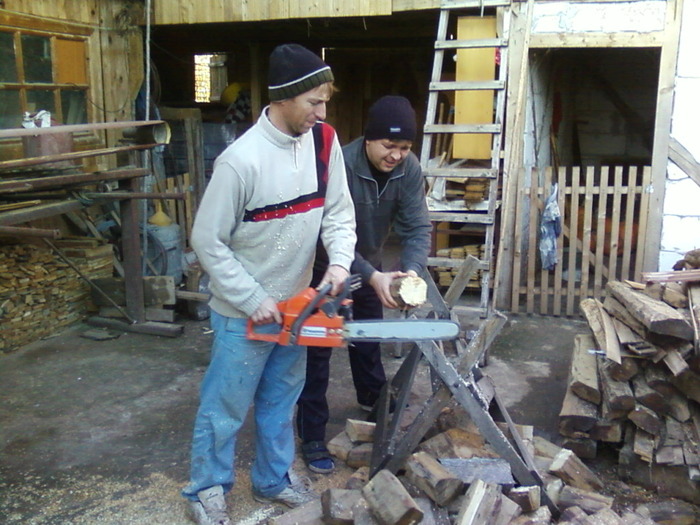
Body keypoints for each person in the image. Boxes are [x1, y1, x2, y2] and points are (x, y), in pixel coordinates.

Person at [183, 43, 356, 525]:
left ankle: (272, 479)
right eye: (314, 102)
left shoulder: (323, 144)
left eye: (325, 101)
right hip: (245, 312)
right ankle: (206, 489)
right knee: (226, 407)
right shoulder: (241, 161)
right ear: (283, 98)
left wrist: (339, 263)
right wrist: (252, 297)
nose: (322, 112)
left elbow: (339, 212)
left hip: (297, 303)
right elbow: (207, 240)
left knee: (281, 401)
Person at [296, 95, 431, 474]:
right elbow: (326, 230)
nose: (397, 155)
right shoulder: (340, 163)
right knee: (317, 356)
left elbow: (418, 225)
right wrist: (372, 276)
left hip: (369, 265)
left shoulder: (410, 170)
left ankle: (373, 402)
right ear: (369, 139)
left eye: (404, 147)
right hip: (325, 270)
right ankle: (311, 435)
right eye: (390, 146)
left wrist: (411, 270)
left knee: (367, 341)